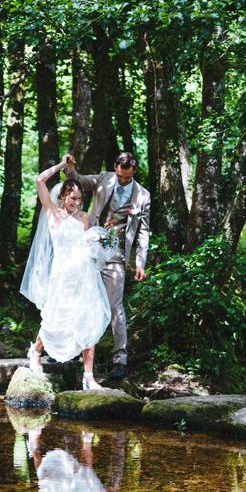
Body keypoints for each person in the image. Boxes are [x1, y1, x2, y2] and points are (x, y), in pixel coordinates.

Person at [19, 155, 111, 390]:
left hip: (84, 276)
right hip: (61, 276)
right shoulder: (52, 214)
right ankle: (36, 351)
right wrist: (62, 166)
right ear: (62, 196)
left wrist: (101, 241)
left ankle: (88, 376)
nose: (77, 202)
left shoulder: (83, 218)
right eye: (73, 198)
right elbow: (40, 180)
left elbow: (89, 245)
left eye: (80, 199)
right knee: (54, 320)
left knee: (88, 320)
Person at [65, 151, 150, 379]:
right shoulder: (103, 179)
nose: (123, 180)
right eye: (120, 176)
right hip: (90, 248)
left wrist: (140, 262)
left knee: (115, 306)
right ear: (115, 167)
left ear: (133, 172)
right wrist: (71, 168)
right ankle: (71, 351)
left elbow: (143, 232)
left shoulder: (143, 195)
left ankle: (120, 360)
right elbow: (80, 181)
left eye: (127, 177)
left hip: (117, 255)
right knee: (80, 299)